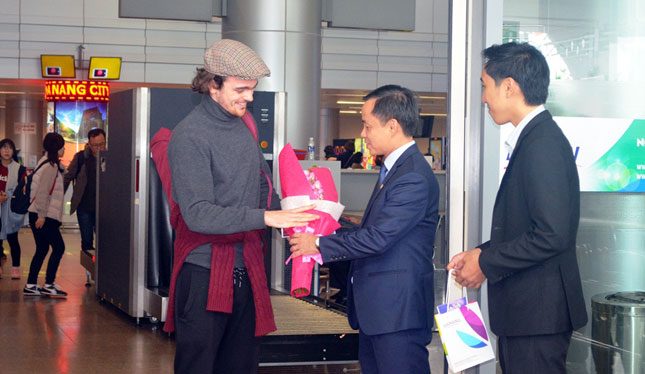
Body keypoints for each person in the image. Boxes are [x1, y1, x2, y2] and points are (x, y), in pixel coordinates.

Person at [164, 39, 318, 374]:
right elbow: (198, 213)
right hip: (205, 272)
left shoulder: (244, 124)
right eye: (241, 89)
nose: (249, 97)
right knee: (199, 365)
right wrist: (266, 217)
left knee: (241, 364)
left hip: (247, 267)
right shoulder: (190, 136)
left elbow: (261, 186)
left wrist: (298, 214)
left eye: (252, 89)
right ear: (212, 84)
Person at [447, 42, 587, 374]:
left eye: (485, 86)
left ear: (509, 86)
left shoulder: (543, 144)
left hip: (538, 317)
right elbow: (527, 229)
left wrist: (486, 261)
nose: (483, 98)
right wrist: (480, 253)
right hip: (529, 316)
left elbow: (551, 235)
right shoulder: (535, 139)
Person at [289, 85, 439, 374]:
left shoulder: (412, 177)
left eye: (367, 125)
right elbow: (376, 229)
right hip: (380, 312)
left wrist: (318, 244)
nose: (362, 133)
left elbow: (379, 238)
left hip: (397, 314)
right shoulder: (395, 170)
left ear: (392, 126)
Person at [23, 133, 68, 297]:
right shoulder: (50, 167)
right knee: (59, 247)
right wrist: (42, 215)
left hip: (37, 213)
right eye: (62, 146)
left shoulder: (46, 163)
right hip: (44, 215)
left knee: (42, 248)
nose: (64, 149)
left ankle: (31, 284)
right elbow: (42, 193)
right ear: (57, 148)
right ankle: (49, 283)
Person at [64, 128, 106, 253]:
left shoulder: (110, 158)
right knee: (87, 241)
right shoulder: (81, 157)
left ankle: (103, 269)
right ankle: (90, 271)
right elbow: (68, 177)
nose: (98, 148)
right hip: (84, 207)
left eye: (101, 144)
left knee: (105, 241)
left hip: (105, 208)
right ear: (89, 144)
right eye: (95, 145)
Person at [0, 138, 26, 279]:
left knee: (13, 238)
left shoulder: (19, 169)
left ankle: (15, 267)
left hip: (11, 210)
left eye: (9, 148)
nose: (6, 151)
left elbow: (23, 189)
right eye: (4, 147)